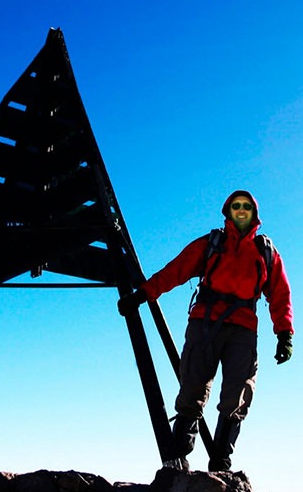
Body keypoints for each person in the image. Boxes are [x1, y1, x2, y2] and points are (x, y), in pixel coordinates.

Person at [121, 190, 293, 472]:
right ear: (228, 211)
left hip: (243, 329)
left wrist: (284, 334)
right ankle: (178, 459)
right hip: (205, 323)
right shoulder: (212, 243)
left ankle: (221, 461)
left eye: (246, 207)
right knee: (192, 387)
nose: (240, 211)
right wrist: (143, 295)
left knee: (238, 393)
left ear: (254, 214)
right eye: (235, 206)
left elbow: (280, 294)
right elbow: (176, 270)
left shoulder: (266, 252)